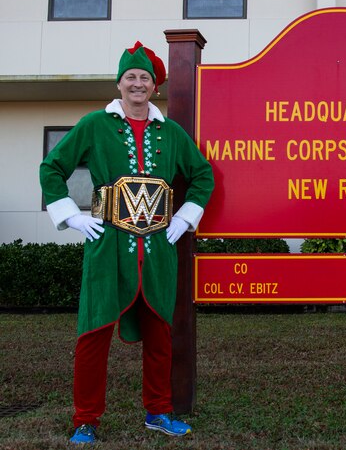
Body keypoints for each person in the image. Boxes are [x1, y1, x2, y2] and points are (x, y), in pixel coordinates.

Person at [39, 41, 214, 444]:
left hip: (157, 248)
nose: (138, 84)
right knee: (93, 332)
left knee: (159, 333)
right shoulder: (94, 125)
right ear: (119, 83)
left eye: (145, 79)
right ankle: (86, 418)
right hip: (107, 244)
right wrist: (72, 215)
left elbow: (202, 175)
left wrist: (185, 217)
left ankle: (158, 412)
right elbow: (53, 168)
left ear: (155, 87)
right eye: (131, 77)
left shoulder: (171, 133)